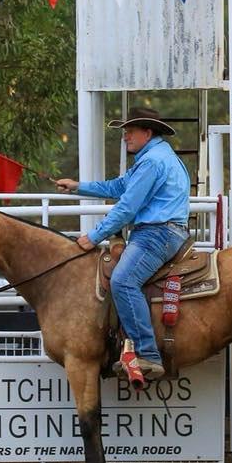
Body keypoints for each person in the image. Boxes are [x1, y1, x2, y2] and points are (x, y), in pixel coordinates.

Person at [56, 108, 191, 381]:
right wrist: (78, 186)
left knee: (123, 281)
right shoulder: (155, 158)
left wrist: (94, 236)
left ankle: (148, 355)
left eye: (129, 131)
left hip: (157, 234)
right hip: (164, 231)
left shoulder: (152, 162)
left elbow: (127, 207)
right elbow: (118, 187)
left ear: (147, 132)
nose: (125, 136)